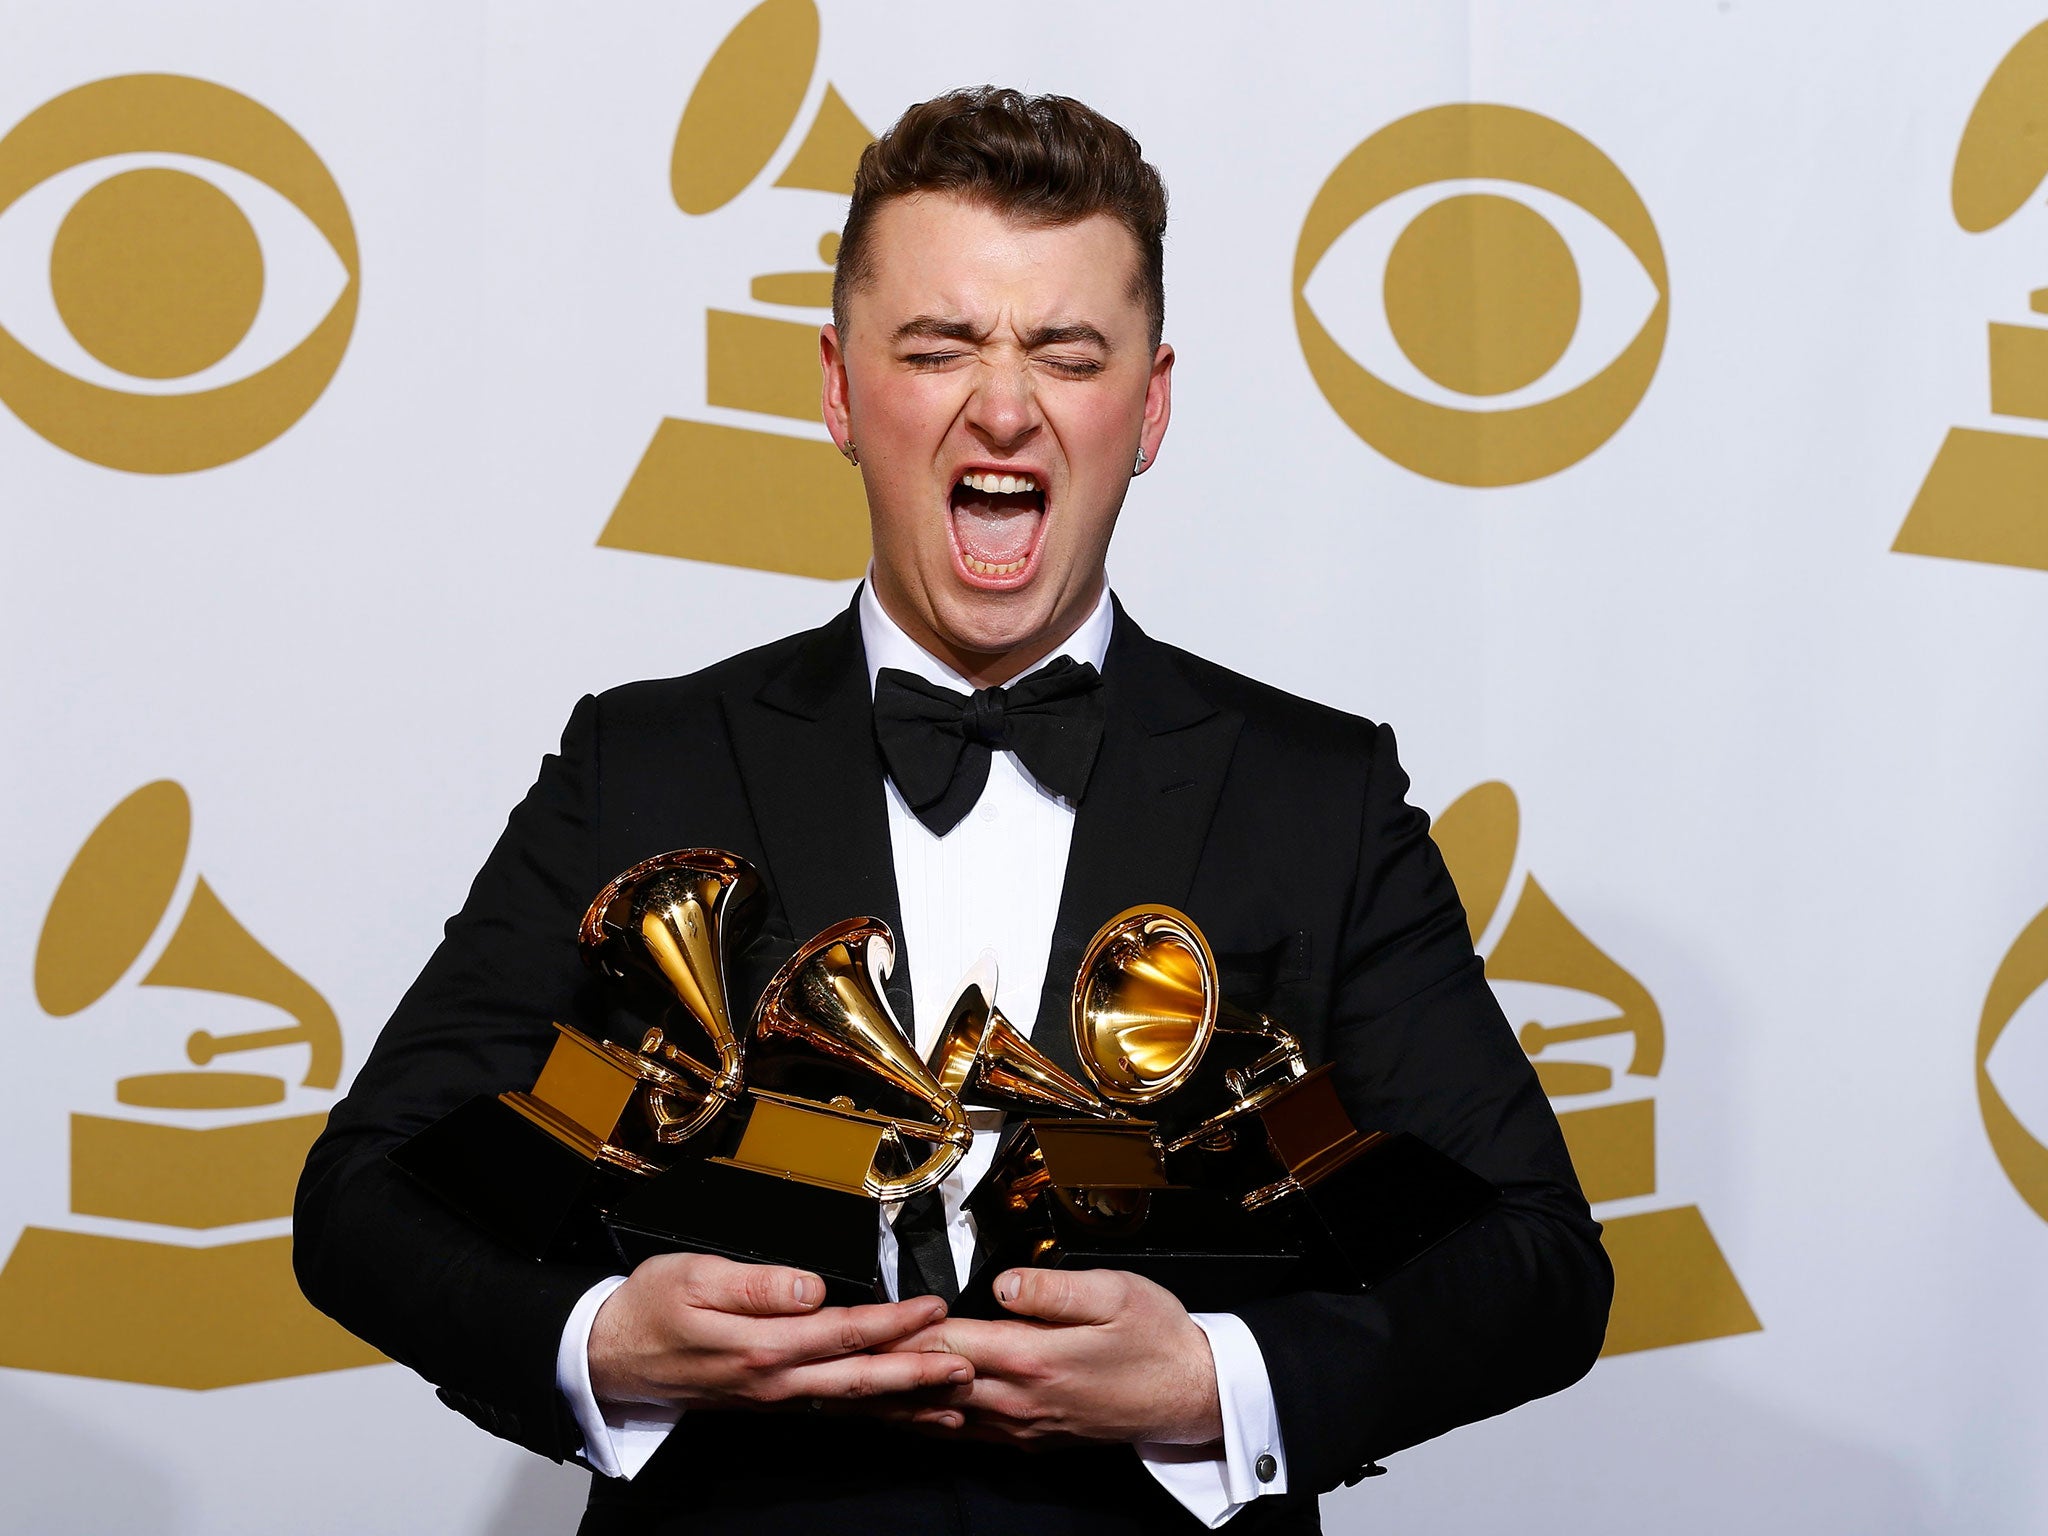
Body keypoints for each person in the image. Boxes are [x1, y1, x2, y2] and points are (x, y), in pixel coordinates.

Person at [295, 87, 1611, 1536]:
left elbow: (1536, 1265)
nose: (1002, 403)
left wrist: (1217, 1383)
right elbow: (362, 1200)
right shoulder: (642, 761)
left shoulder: (1321, 791)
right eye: (938, 348)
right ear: (842, 391)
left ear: (1151, 405)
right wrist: (602, 1344)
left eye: (1066, 351)